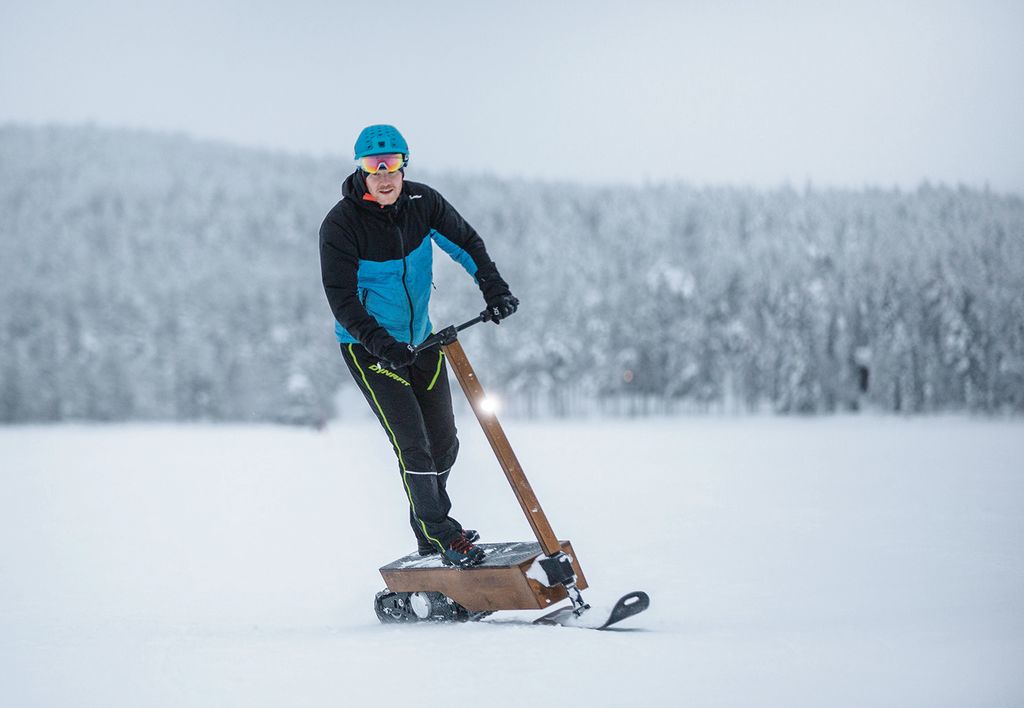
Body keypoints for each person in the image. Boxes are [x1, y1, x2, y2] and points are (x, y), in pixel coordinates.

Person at [319, 124, 518, 567]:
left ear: (405, 165)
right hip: (368, 348)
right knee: (414, 443)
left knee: (444, 443)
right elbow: (342, 300)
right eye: (375, 166)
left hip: (422, 340)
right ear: (361, 169)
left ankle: (429, 528)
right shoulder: (340, 224)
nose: (385, 175)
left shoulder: (423, 204)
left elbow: (466, 243)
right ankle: (442, 531)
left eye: (393, 164)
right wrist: (381, 343)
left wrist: (495, 290)